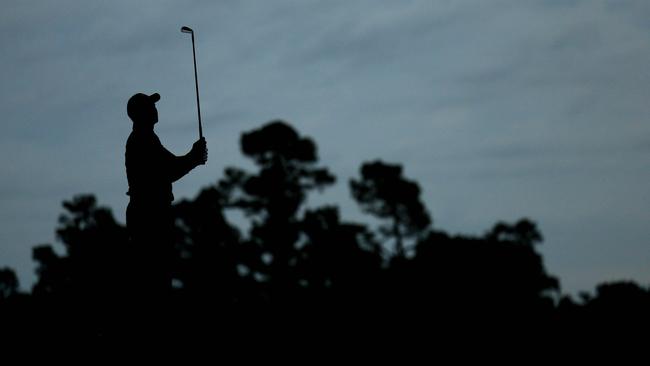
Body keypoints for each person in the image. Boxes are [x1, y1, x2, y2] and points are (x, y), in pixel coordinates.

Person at [124, 92, 207, 318]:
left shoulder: (147, 138)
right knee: (155, 277)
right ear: (142, 113)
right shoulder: (142, 140)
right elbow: (169, 170)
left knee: (157, 276)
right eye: (150, 106)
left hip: (150, 212)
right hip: (149, 215)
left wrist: (193, 158)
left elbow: (170, 167)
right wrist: (194, 157)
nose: (155, 109)